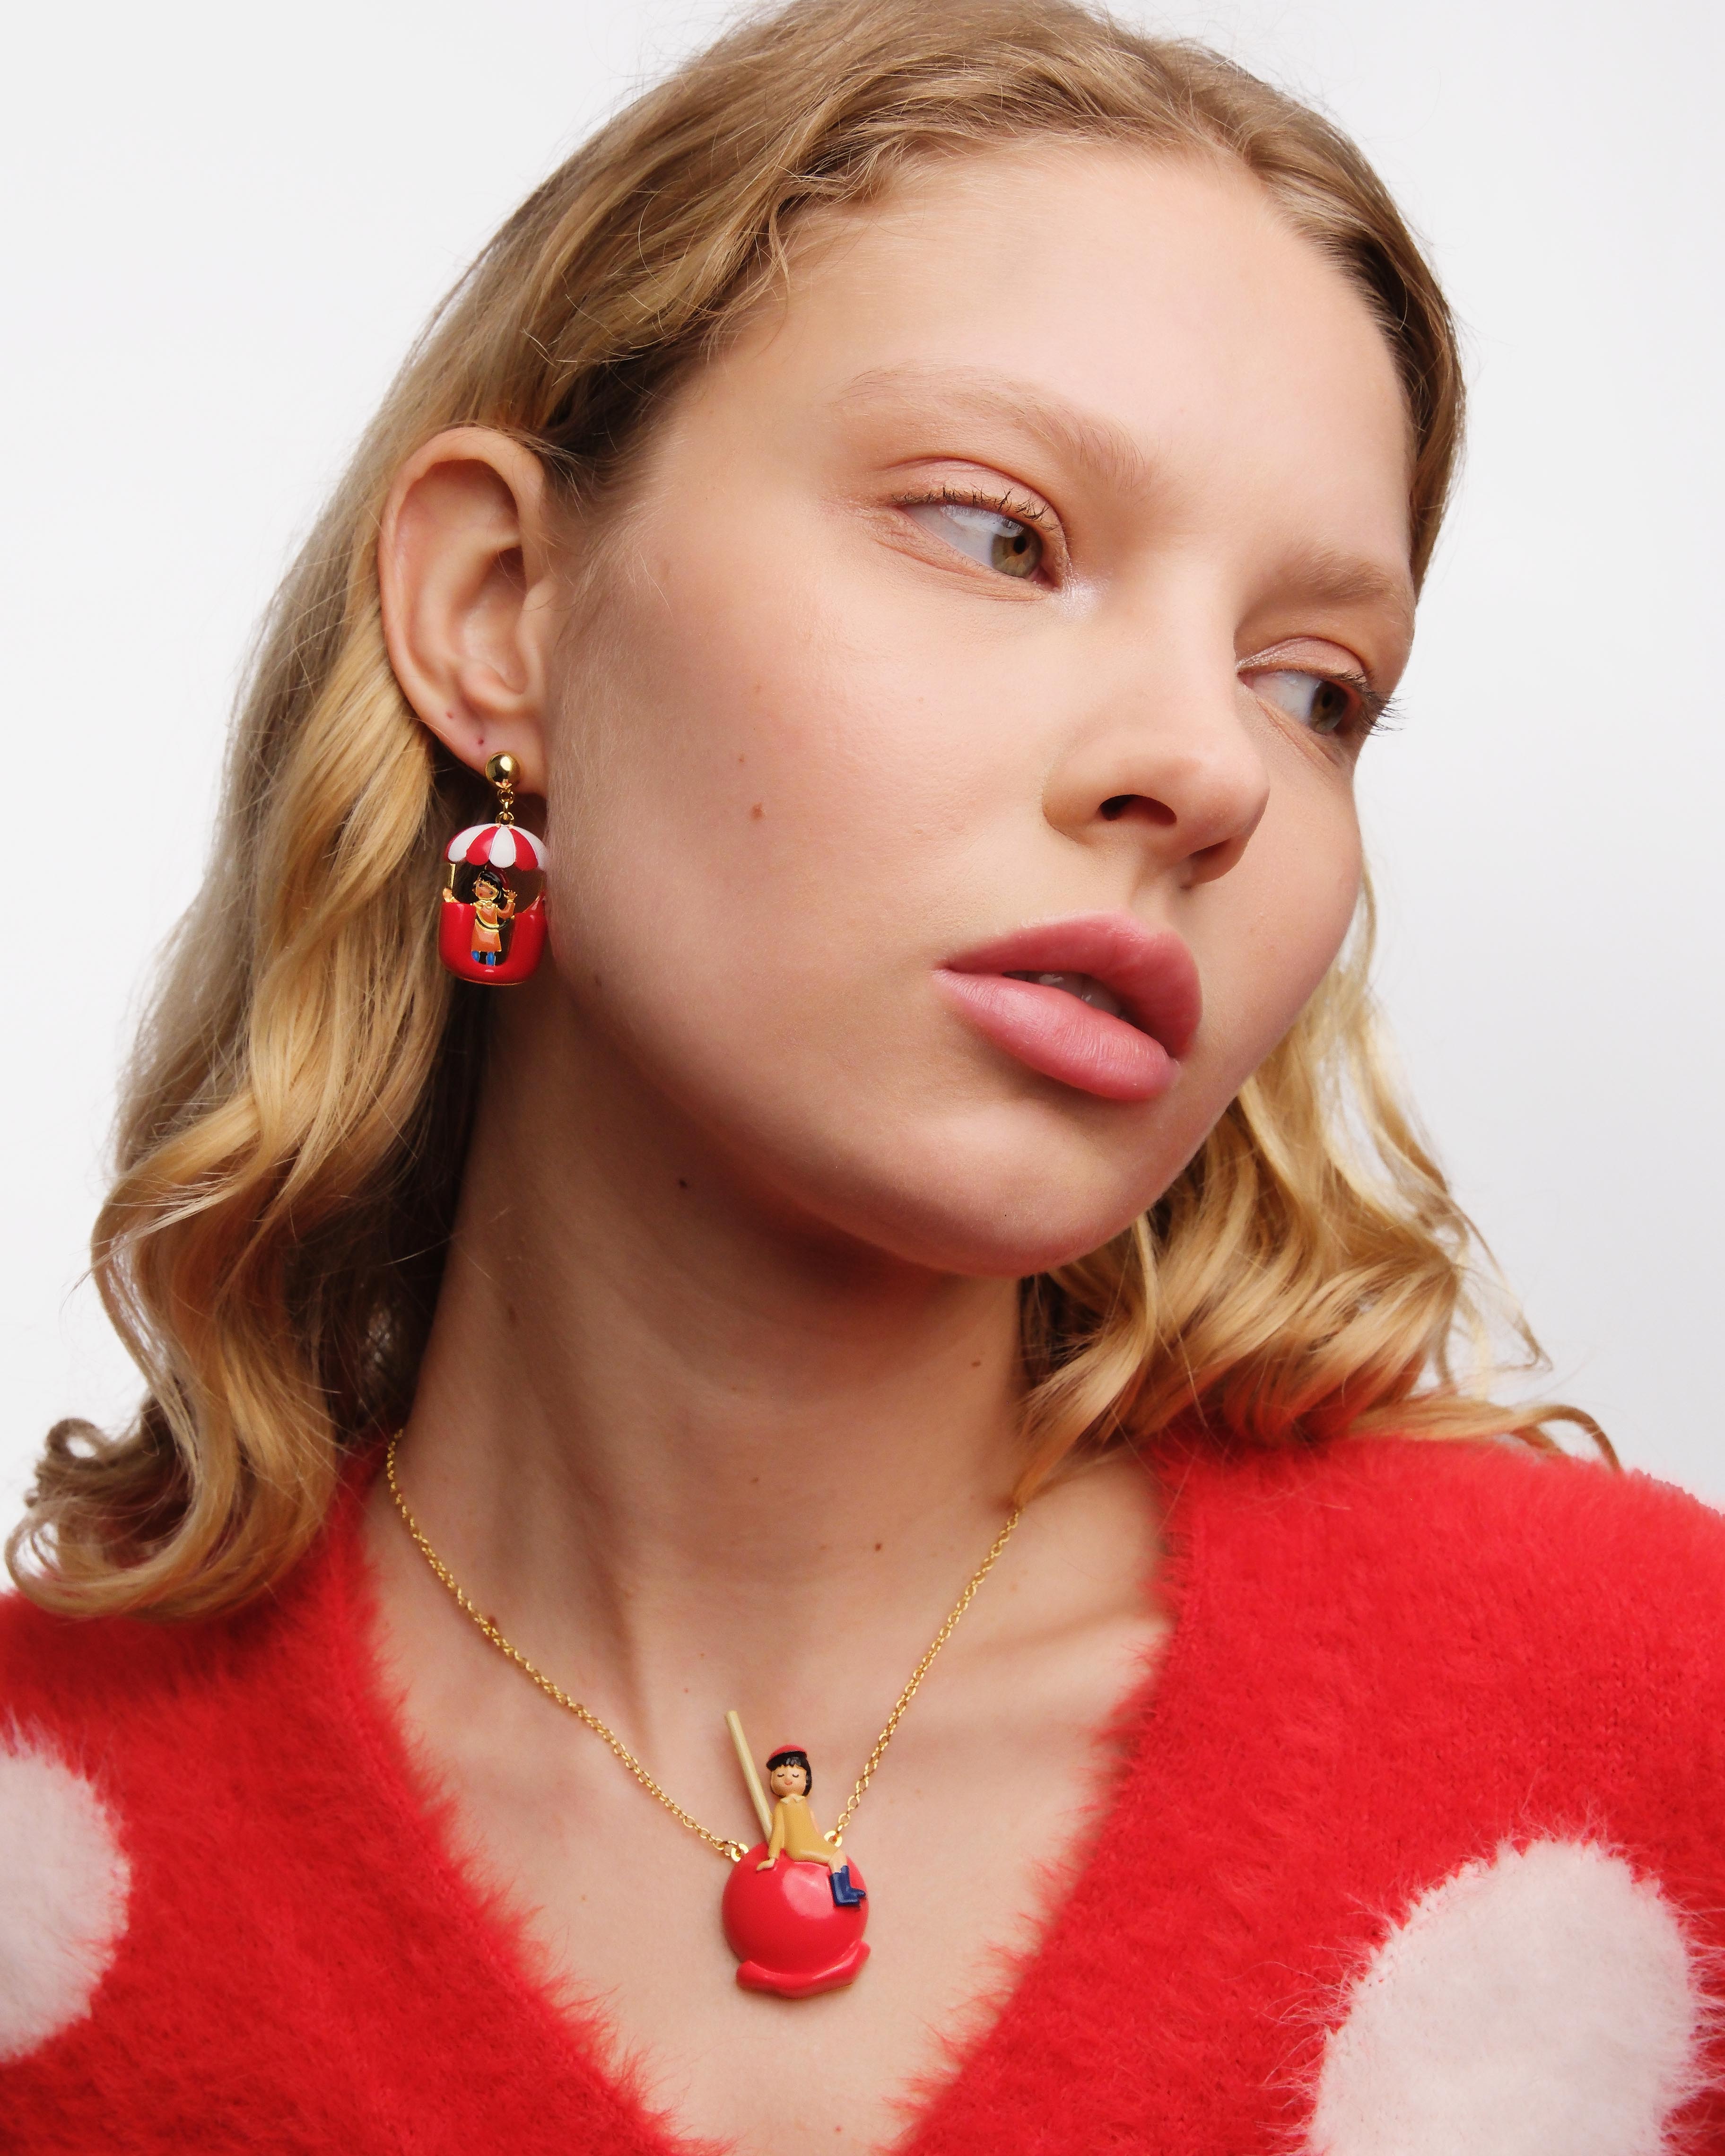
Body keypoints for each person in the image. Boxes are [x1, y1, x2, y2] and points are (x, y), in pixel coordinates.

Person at [4, 0, 1723, 2148]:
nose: (1207, 770)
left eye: (1316, 686)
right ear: (499, 606)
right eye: (999, 534)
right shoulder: (37, 1859)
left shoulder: (1645, 1719)